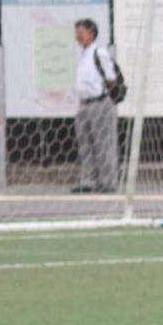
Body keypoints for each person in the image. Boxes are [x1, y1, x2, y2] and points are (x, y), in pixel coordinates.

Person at [73, 18, 120, 194]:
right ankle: (89, 181)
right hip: (84, 105)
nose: (78, 36)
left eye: (81, 32)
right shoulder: (83, 54)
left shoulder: (99, 52)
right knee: (86, 144)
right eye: (77, 33)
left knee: (103, 145)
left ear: (91, 34)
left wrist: (101, 93)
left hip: (99, 102)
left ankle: (107, 182)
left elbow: (110, 78)